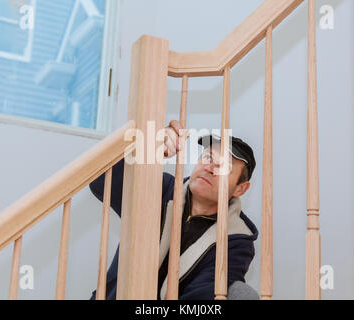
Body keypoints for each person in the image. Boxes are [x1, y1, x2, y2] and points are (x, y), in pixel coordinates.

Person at [89, 120, 259, 300]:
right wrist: (148, 146)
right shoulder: (162, 189)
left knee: (242, 295)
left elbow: (201, 296)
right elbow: (101, 183)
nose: (210, 168)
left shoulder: (237, 239)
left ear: (240, 189)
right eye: (208, 157)